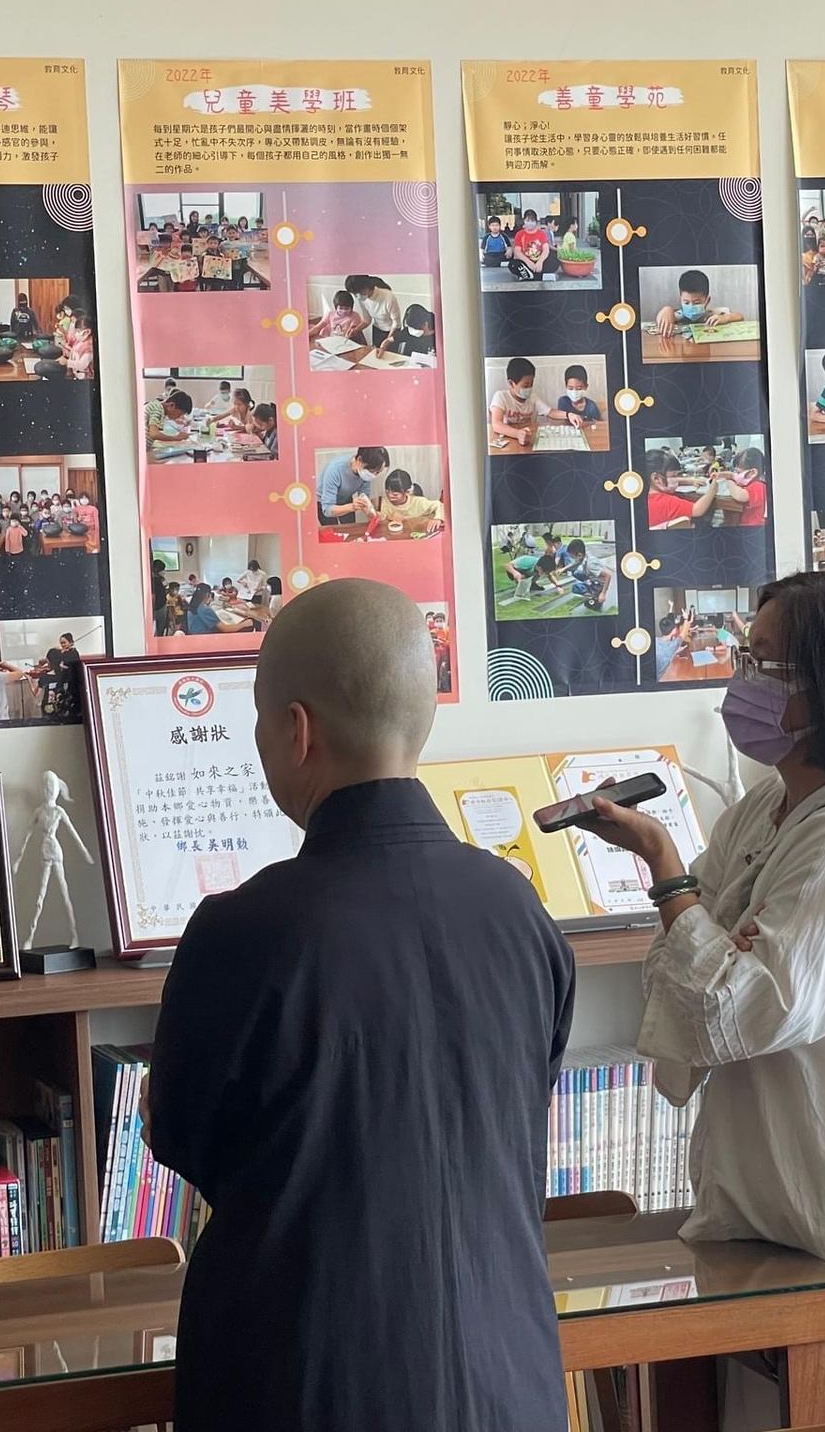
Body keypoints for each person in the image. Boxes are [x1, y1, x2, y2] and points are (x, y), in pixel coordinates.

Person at [145, 579, 573, 1432]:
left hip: (307, 1377)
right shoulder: (519, 907)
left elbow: (183, 1137)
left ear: (296, 731)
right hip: (509, 1375)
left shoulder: (243, 930)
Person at [580, 570, 825, 1417]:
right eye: (744, 657)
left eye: (766, 665)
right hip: (777, 1212)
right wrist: (685, 903)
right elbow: (692, 968)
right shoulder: (770, 807)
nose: (742, 682)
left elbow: (734, 1008)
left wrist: (665, 870)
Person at [653, 268, 743, 336]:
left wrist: (725, 318)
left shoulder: (712, 315)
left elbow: (739, 316)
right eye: (686, 303)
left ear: (707, 301)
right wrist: (666, 310)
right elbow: (661, 319)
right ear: (680, 300)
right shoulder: (679, 316)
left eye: (696, 303)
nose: (691, 306)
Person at [316, 446, 386, 525]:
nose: (373, 475)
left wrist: (373, 514)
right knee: (332, 529)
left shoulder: (365, 473)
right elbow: (327, 510)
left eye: (378, 472)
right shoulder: (335, 470)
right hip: (324, 501)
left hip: (345, 498)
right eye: (372, 471)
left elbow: (364, 498)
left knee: (349, 527)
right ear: (359, 460)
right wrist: (352, 507)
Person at [490, 357, 539, 449]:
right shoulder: (501, 396)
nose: (529, 388)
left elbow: (550, 411)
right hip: (509, 442)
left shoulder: (533, 397)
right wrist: (517, 434)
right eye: (525, 385)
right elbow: (496, 424)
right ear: (511, 383)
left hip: (527, 442)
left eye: (531, 384)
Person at [507, 210, 557, 281]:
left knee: (555, 258)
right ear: (524, 221)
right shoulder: (520, 234)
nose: (530, 223)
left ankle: (528, 275)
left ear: (536, 221)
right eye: (528, 220)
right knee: (512, 264)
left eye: (532, 220)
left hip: (540, 262)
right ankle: (539, 276)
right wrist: (529, 263)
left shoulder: (541, 233)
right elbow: (517, 252)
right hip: (526, 263)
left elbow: (546, 249)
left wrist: (540, 262)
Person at [147, 390, 196, 459]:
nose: (179, 417)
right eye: (180, 413)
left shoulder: (157, 406)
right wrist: (176, 438)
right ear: (172, 405)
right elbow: (154, 434)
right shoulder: (158, 409)